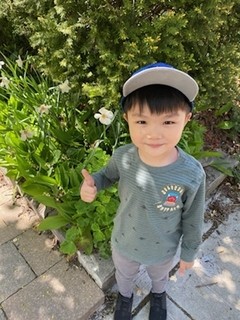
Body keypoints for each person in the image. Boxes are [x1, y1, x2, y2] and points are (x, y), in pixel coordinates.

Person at [80, 62, 206, 320]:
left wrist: (189, 252)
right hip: (125, 241)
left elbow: (193, 218)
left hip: (164, 248)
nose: (153, 133)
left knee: (159, 276)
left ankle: (159, 295)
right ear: (127, 119)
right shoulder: (123, 156)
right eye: (142, 121)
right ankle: (124, 297)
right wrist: (92, 183)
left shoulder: (191, 173)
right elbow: (105, 176)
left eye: (168, 121)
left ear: (187, 119)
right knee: (124, 275)